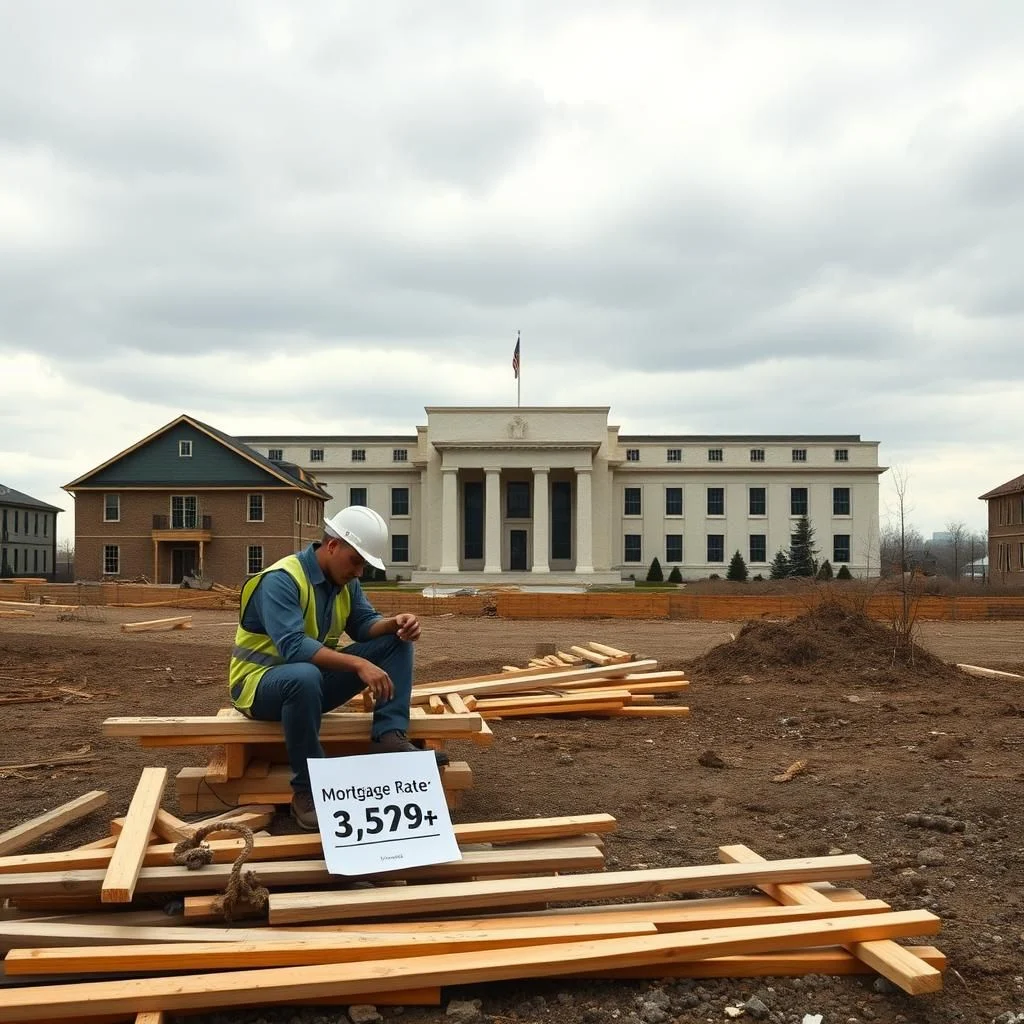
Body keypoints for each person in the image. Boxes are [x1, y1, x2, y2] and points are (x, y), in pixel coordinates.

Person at [228, 505, 447, 831]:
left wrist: (394, 624)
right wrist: (359, 663)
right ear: (332, 545)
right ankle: (306, 790)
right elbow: (293, 646)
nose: (359, 572)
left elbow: (362, 624)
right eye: (356, 561)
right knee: (303, 675)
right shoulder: (281, 580)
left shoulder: (343, 582)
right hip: (257, 688)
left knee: (395, 641)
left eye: (364, 565)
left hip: (309, 687)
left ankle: (388, 737)